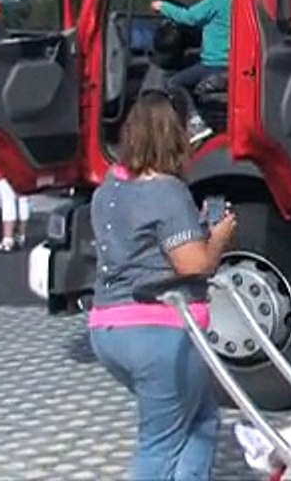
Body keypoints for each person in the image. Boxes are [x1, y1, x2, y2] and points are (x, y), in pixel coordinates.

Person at [88, 91, 238, 481]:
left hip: (108, 325)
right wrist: (218, 236)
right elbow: (195, 265)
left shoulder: (109, 188)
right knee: (160, 443)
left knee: (202, 420)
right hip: (159, 332)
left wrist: (195, 228)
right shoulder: (167, 192)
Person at [151, 0, 234, 143]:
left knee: (174, 83)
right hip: (231, 65)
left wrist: (162, 6)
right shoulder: (242, 0)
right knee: (190, 62)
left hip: (214, 65)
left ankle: (195, 123)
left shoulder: (217, 0)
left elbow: (189, 17)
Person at [0, 161, 30, 254]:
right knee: (23, 199)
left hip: (3, 164)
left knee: (8, 200)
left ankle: (8, 240)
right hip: (24, 165)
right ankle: (21, 236)